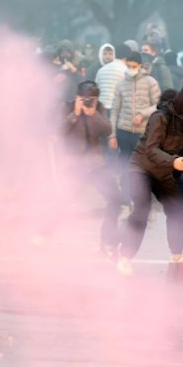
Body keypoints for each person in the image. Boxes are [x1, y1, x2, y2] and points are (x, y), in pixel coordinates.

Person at [117, 82, 183, 275]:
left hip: (164, 172)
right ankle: (124, 257)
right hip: (141, 168)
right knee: (141, 211)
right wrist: (173, 161)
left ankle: (176, 255)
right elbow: (151, 149)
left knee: (177, 211)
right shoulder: (160, 117)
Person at [63, 81, 123, 258]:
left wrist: (93, 114)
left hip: (95, 165)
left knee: (115, 198)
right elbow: (57, 131)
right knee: (62, 201)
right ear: (77, 97)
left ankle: (107, 241)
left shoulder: (99, 108)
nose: (89, 102)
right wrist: (74, 114)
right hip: (73, 165)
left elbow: (107, 129)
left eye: (93, 99)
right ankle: (42, 232)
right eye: (85, 99)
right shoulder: (67, 107)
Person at [109, 51, 161, 163]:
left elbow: (159, 106)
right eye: (128, 66)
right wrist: (112, 135)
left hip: (142, 133)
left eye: (134, 66)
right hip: (123, 131)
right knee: (123, 166)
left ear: (140, 66)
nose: (131, 69)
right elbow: (115, 111)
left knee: (140, 166)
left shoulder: (150, 82)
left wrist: (142, 114)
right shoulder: (121, 84)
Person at [95, 43, 131, 116]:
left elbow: (96, 89)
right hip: (118, 109)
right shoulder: (126, 71)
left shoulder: (101, 70)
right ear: (126, 57)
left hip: (102, 108)